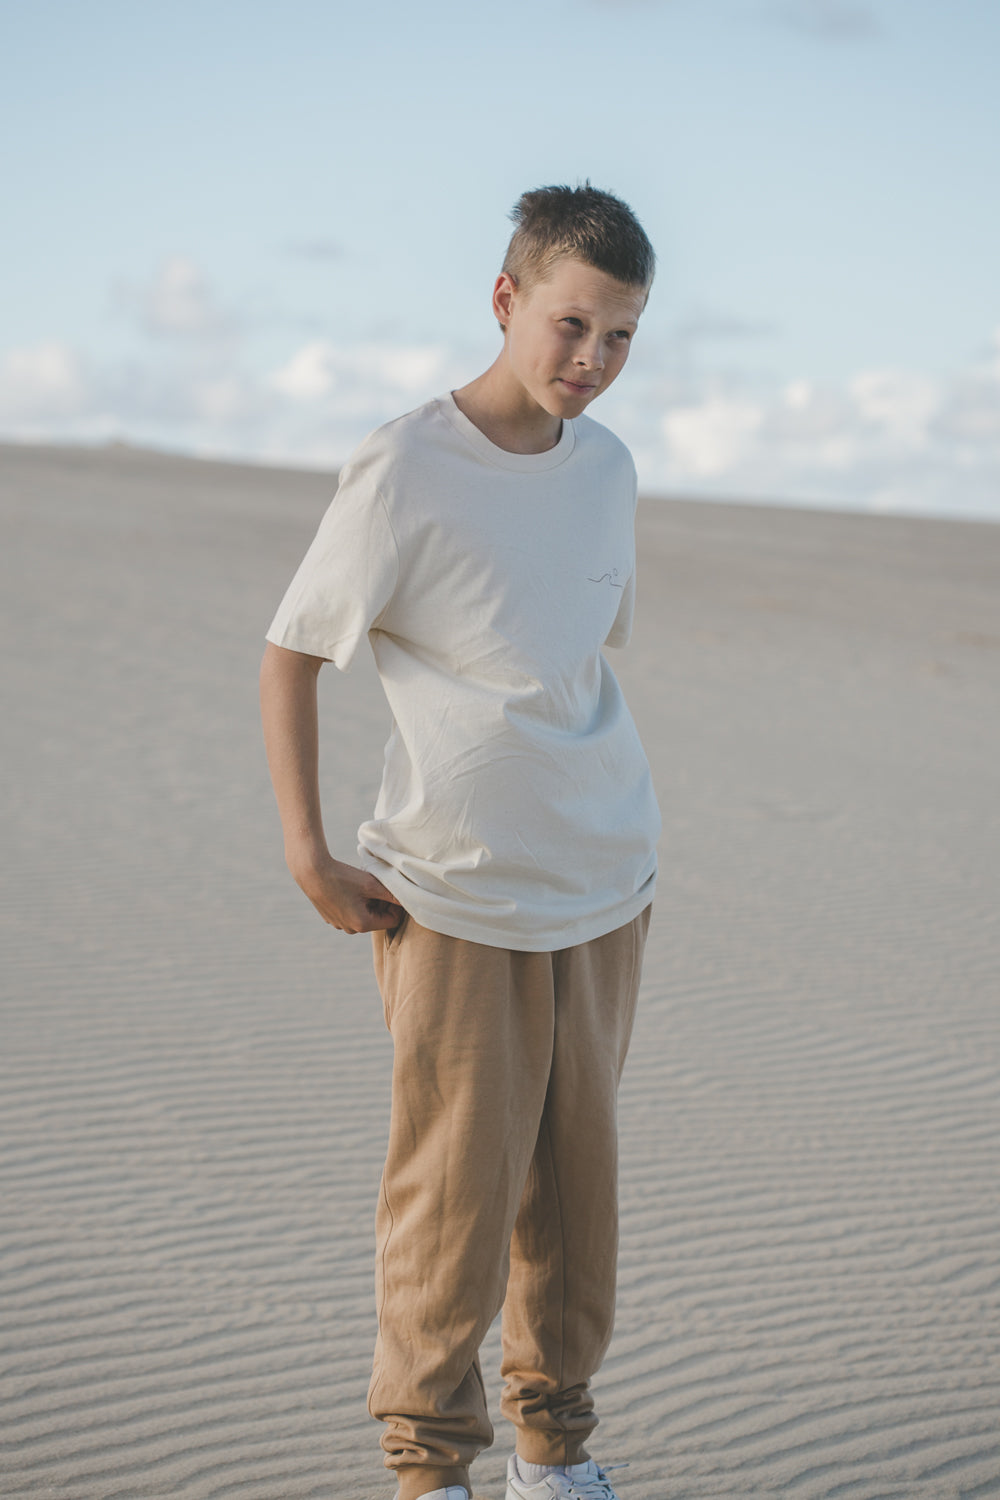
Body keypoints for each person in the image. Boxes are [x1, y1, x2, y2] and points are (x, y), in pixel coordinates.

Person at [260, 183, 660, 1500]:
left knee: (576, 1207)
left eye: (620, 336)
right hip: (455, 899)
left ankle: (555, 1459)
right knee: (453, 1209)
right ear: (505, 299)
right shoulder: (406, 465)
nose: (591, 359)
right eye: (571, 324)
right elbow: (291, 654)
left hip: (606, 883)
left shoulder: (608, 471)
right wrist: (309, 853)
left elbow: (565, 668)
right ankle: (430, 1473)